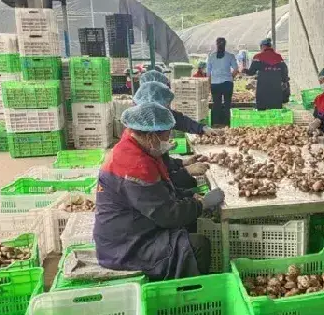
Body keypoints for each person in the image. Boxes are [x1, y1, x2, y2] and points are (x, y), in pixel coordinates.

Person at [94, 102, 225, 278]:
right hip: (126, 246)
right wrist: (200, 205)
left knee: (190, 223)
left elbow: (160, 192)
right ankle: (188, 296)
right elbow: (167, 215)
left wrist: (189, 196)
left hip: (132, 226)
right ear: (151, 136)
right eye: (165, 136)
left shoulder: (135, 147)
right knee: (198, 246)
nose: (168, 140)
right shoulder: (135, 165)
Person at [133, 82, 213, 191]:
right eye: (167, 105)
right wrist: (201, 203)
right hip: (149, 199)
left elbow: (161, 164)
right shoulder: (138, 162)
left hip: (156, 188)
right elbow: (158, 192)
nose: (169, 108)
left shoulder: (152, 125)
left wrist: (182, 163)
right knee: (188, 183)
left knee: (190, 183)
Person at [245, 38, 289, 110]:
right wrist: (284, 80)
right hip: (276, 87)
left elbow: (251, 72)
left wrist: (244, 70)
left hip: (263, 87)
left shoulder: (258, 57)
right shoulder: (278, 57)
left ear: (263, 46)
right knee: (275, 107)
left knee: (262, 107)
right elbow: (284, 70)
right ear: (270, 46)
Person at [207, 37, 238, 127]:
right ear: (225, 45)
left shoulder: (211, 57)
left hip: (215, 84)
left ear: (216, 45)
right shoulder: (230, 56)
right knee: (227, 103)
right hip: (227, 84)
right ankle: (227, 123)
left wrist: (209, 85)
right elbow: (236, 69)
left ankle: (216, 123)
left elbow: (208, 73)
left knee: (217, 104)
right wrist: (230, 77)